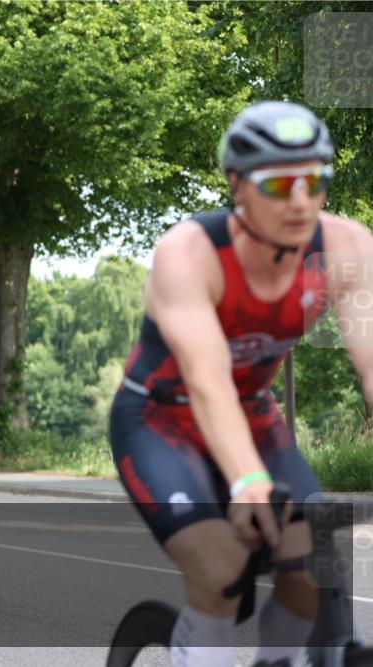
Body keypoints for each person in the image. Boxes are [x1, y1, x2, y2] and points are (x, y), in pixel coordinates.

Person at [110, 101, 373, 666]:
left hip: (253, 415)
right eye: (278, 183)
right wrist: (248, 480)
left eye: (314, 180)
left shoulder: (347, 248)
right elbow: (207, 381)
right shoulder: (189, 253)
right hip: (160, 420)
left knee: (315, 566)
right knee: (221, 567)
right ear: (237, 185)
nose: (300, 200)